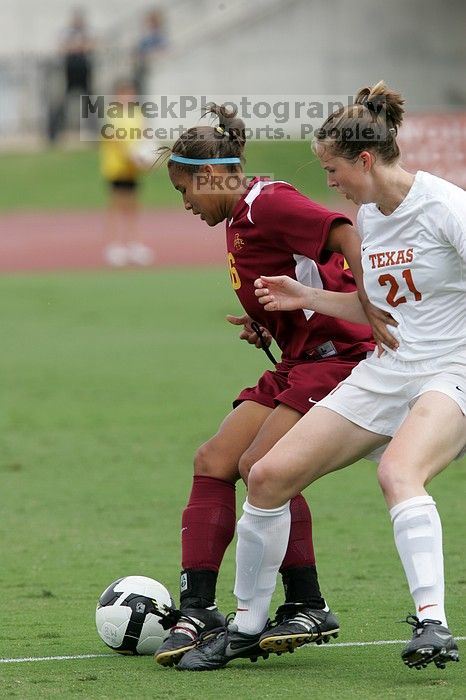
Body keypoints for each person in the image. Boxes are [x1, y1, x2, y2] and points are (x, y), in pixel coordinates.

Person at [176, 82, 466, 672]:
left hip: (449, 369)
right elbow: (374, 308)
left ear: (362, 159)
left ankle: (431, 622)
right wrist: (302, 296)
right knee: (268, 475)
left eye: (331, 168)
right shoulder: (373, 219)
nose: (326, 181)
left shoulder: (444, 207)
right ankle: (247, 627)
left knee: (397, 471)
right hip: (387, 371)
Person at [153, 102, 380, 668]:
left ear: (209, 176)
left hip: (337, 356)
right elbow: (296, 275)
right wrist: (267, 324)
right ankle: (198, 608)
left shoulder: (268, 201)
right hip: (298, 359)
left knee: (262, 467)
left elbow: (343, 233)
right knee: (214, 460)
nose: (185, 205)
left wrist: (371, 309)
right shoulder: (239, 216)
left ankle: (306, 603)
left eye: (186, 192)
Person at [100, 79, 155, 267]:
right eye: (124, 93)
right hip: (117, 166)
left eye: (130, 93)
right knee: (116, 204)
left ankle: (134, 244)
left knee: (132, 206)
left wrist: (148, 157)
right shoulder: (112, 114)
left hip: (133, 169)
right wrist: (133, 156)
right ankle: (114, 245)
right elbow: (116, 139)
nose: (128, 97)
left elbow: (143, 135)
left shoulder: (137, 114)